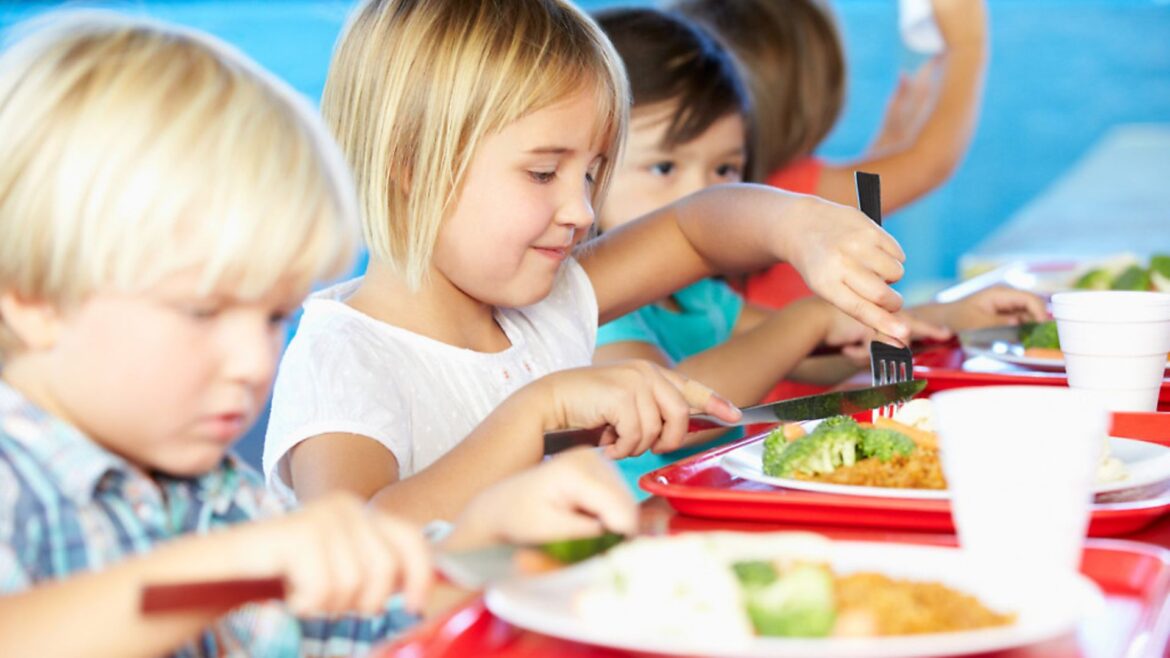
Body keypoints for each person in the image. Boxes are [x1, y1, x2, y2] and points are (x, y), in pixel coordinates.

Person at [0, 13, 636, 657]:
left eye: (274, 317)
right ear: (34, 298)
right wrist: (225, 569)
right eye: (201, 311)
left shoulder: (215, 492)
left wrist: (481, 547)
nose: (255, 363)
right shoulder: (15, 484)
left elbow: (342, 632)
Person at [263, 0, 912, 523]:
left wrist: (798, 225)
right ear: (411, 166)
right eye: (544, 172)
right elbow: (356, 544)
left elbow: (695, 230)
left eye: (593, 172)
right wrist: (537, 411)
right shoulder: (344, 358)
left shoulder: (541, 306)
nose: (579, 208)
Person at [590, 7, 1044, 493]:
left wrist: (945, 317)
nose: (703, 193)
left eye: (724, 170)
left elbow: (812, 356)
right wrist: (808, 319)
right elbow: (682, 413)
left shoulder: (700, 297)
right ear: (588, 168)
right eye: (664, 168)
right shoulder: (595, 310)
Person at [673, 0, 989, 310]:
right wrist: (966, 46)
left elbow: (858, 206)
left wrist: (890, 142)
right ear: (813, 95)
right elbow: (929, 164)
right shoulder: (790, 192)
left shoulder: (719, 194)